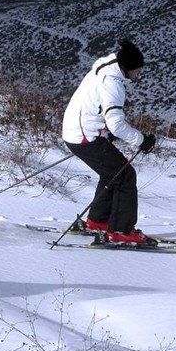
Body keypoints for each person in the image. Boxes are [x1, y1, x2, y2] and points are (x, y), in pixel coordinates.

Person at [62, 39, 157, 245]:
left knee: (112, 173)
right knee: (125, 175)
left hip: (77, 128)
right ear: (128, 67)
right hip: (84, 135)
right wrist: (142, 140)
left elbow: (97, 106)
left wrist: (102, 126)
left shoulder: (106, 65)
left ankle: (98, 221)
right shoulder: (112, 84)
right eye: (137, 71)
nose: (139, 74)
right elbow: (116, 124)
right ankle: (121, 232)